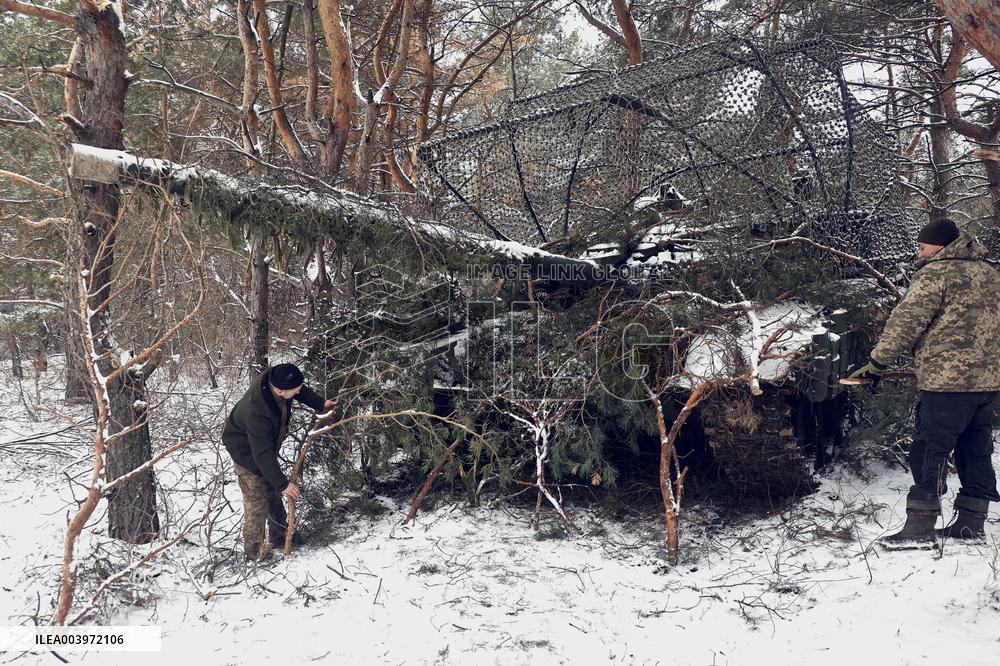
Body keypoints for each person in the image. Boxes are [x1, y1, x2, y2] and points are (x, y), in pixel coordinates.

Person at [850, 218, 1000, 544]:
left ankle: (919, 527)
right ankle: (971, 523)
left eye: (923, 245)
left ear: (942, 246)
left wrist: (877, 363)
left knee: (930, 450)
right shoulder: (990, 274)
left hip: (948, 383)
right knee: (975, 450)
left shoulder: (935, 274)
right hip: (988, 384)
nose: (919, 250)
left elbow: (906, 323)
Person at [222, 363, 335, 561]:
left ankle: (282, 536)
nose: (300, 391)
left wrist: (320, 404)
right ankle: (254, 554)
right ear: (280, 390)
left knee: (274, 493)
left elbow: (300, 389)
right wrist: (283, 484)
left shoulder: (277, 379)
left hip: (263, 448)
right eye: (295, 390)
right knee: (257, 501)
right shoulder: (257, 411)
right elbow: (262, 455)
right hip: (246, 452)